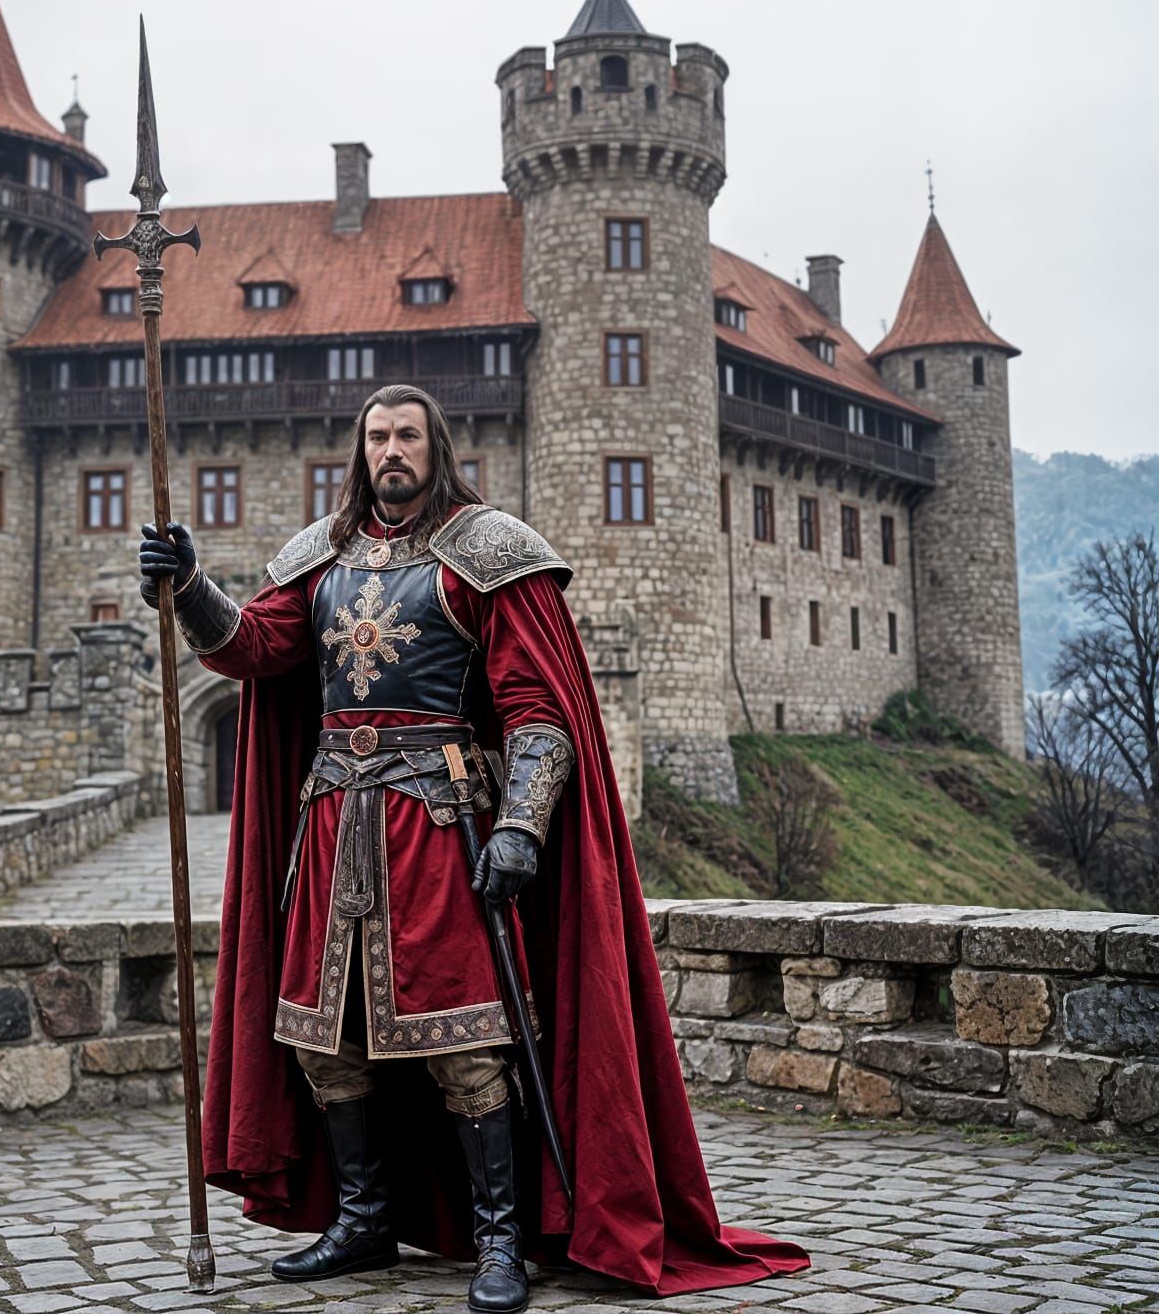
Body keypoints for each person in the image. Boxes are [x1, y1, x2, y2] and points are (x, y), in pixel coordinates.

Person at [140, 384, 807, 1313]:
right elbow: (255, 649)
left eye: (407, 435)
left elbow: (538, 709)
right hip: (332, 821)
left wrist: (523, 826)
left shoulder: (485, 554)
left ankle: (500, 1240)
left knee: (467, 1042)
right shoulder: (319, 560)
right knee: (328, 1040)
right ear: (360, 451)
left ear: (436, 446)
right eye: (377, 437)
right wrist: (188, 587)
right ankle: (364, 1218)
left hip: (439, 823)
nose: (391, 451)